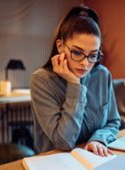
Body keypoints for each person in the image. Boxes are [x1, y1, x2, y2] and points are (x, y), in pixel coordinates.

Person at [30, 6, 120, 156]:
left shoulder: (102, 75)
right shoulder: (41, 80)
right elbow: (64, 142)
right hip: (55, 164)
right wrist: (74, 85)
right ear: (60, 46)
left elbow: (113, 122)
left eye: (93, 55)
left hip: (95, 158)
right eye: (77, 53)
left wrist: (98, 139)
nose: (85, 63)